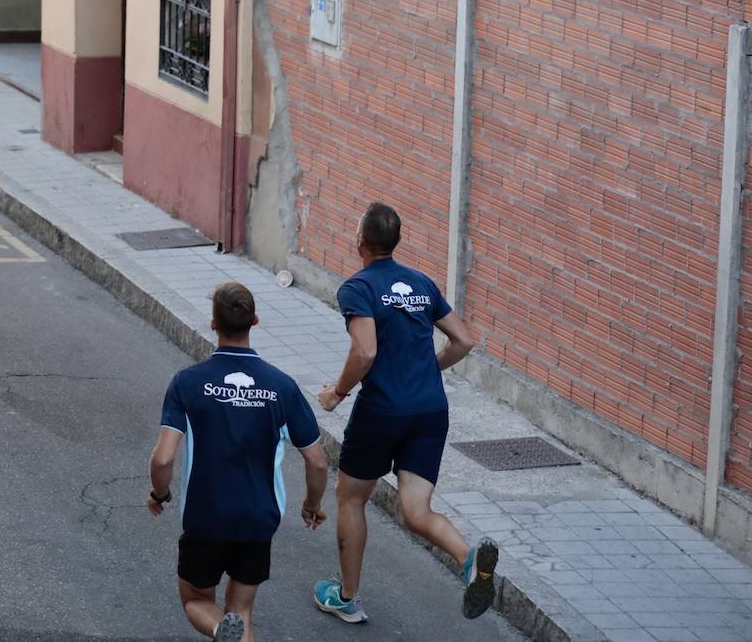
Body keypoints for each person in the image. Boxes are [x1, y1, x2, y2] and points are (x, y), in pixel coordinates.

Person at [312, 204, 497, 625]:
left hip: (381, 412)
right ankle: (469, 561)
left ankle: (349, 598)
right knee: (416, 511)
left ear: (360, 241)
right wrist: (426, 369)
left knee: (351, 498)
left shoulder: (357, 288)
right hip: (430, 410)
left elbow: (365, 350)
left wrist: (337, 393)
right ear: (396, 242)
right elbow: (464, 341)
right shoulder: (421, 283)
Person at [148, 282, 329, 642]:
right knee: (241, 612)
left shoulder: (188, 382)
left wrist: (159, 493)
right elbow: (318, 461)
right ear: (255, 321)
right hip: (258, 518)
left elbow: (164, 456)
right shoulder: (282, 386)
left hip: (206, 516)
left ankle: (218, 629)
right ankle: (229, 628)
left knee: (197, 600)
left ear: (213, 324)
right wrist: (311, 505)